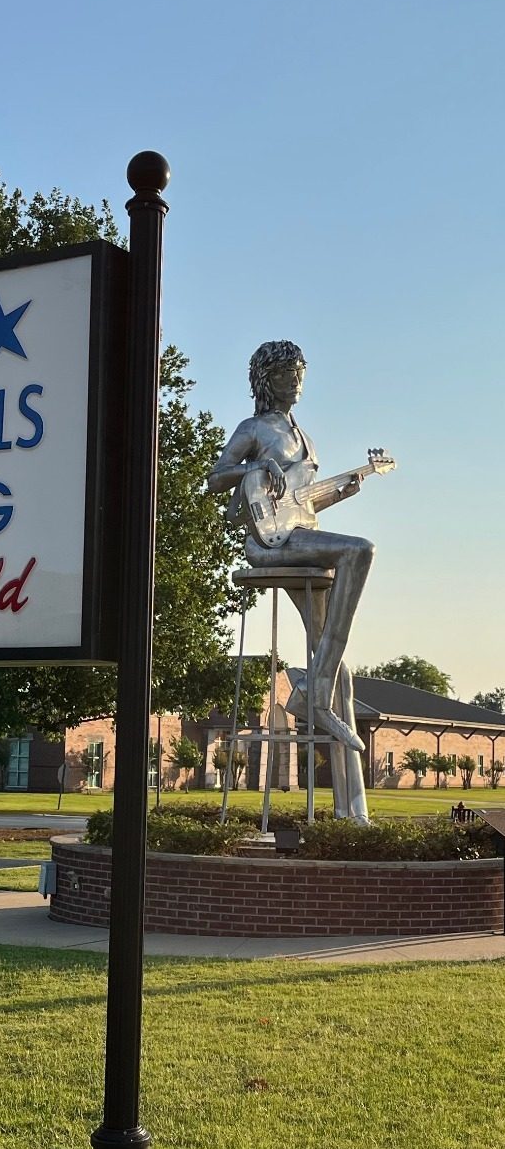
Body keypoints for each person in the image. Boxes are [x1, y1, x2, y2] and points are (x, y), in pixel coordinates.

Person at [207, 341, 373, 822]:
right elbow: (217, 478)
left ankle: (351, 812)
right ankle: (312, 696)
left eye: (300, 374)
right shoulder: (254, 428)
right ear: (266, 379)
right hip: (271, 544)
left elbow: (301, 502)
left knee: (339, 669)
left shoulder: (304, 434)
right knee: (360, 550)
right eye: (287, 375)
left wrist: (344, 490)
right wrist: (256, 464)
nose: (296, 383)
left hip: (300, 532)